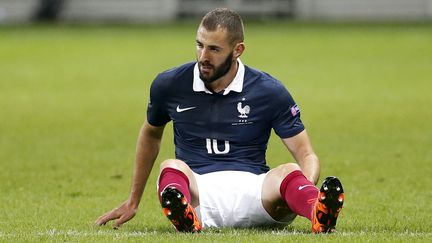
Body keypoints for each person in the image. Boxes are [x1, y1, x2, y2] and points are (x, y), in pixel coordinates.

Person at [95, 8, 344, 233]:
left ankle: (318, 212)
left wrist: (304, 191)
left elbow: (306, 154)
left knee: (289, 171)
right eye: (199, 45)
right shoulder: (169, 84)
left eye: (214, 49)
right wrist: (133, 200)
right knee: (171, 166)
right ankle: (186, 218)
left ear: (238, 50)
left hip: (257, 196)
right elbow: (151, 133)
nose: (203, 56)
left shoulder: (268, 91)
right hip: (196, 195)